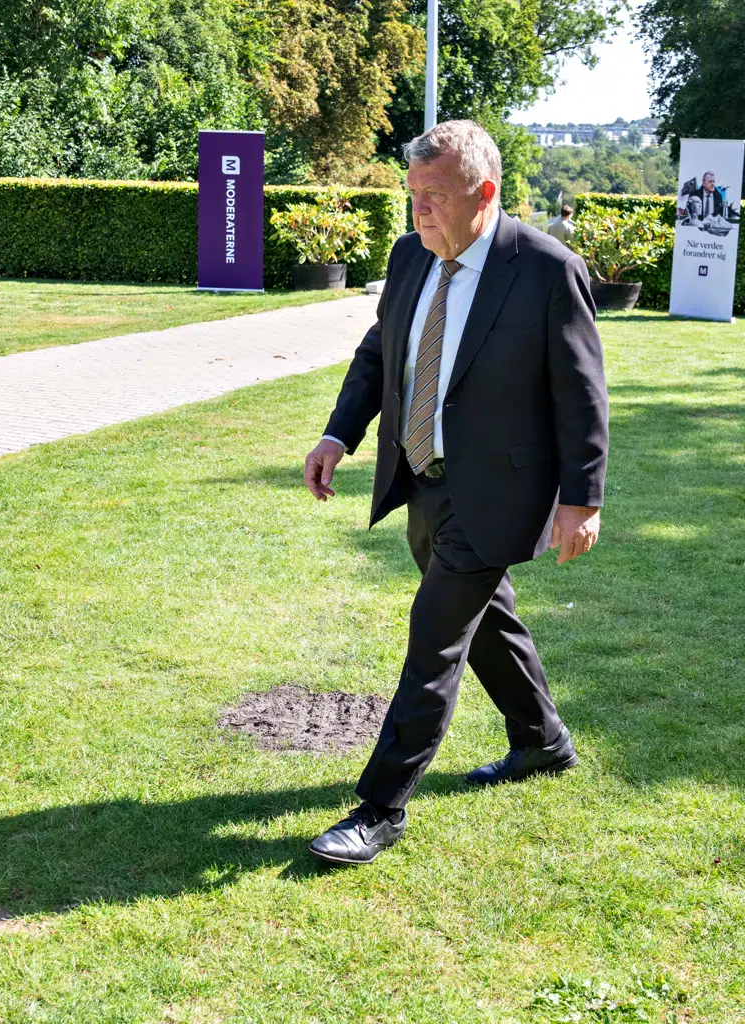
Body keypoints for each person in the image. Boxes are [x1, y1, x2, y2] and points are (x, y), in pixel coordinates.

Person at [301, 119, 608, 866]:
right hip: (424, 479)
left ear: (486, 193)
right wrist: (339, 434)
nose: (420, 211)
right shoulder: (409, 256)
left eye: (436, 196)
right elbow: (380, 352)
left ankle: (380, 807)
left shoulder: (543, 268)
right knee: (485, 619)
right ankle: (543, 741)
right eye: (413, 195)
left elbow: (581, 390)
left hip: (502, 489)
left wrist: (583, 497)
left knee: (434, 634)